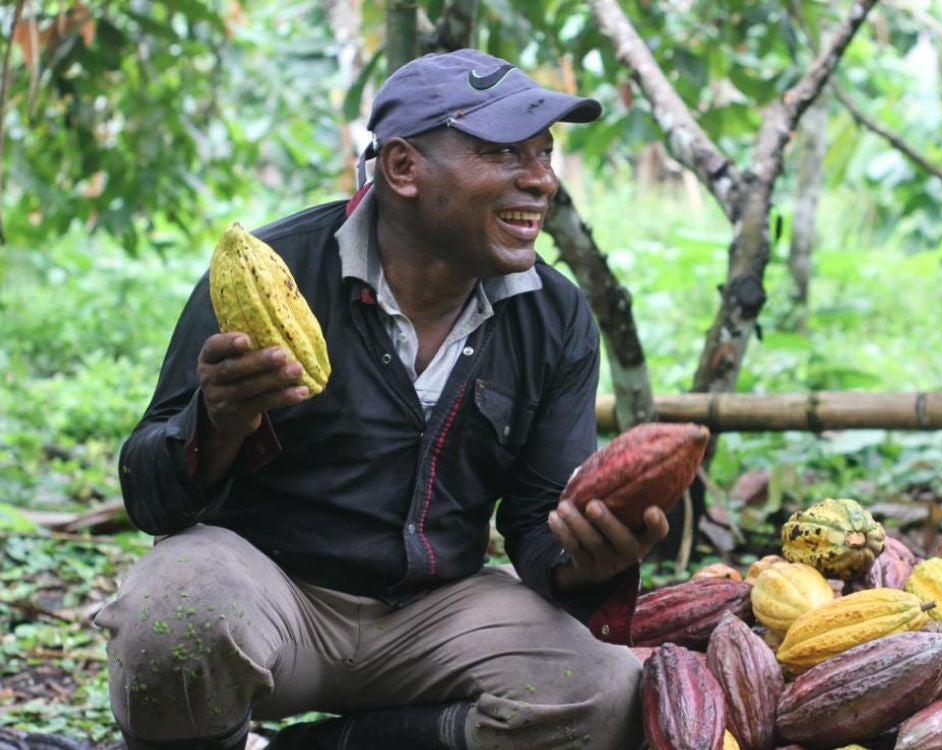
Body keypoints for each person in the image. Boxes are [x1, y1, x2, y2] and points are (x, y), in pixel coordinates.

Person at [95, 48, 669, 750]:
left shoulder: (554, 316)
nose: (541, 180)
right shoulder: (274, 272)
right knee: (172, 620)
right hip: (273, 599)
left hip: (435, 615)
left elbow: (535, 522)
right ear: (403, 168)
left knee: (603, 693)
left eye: (545, 154)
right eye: (505, 153)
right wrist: (214, 425)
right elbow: (149, 496)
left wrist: (590, 558)